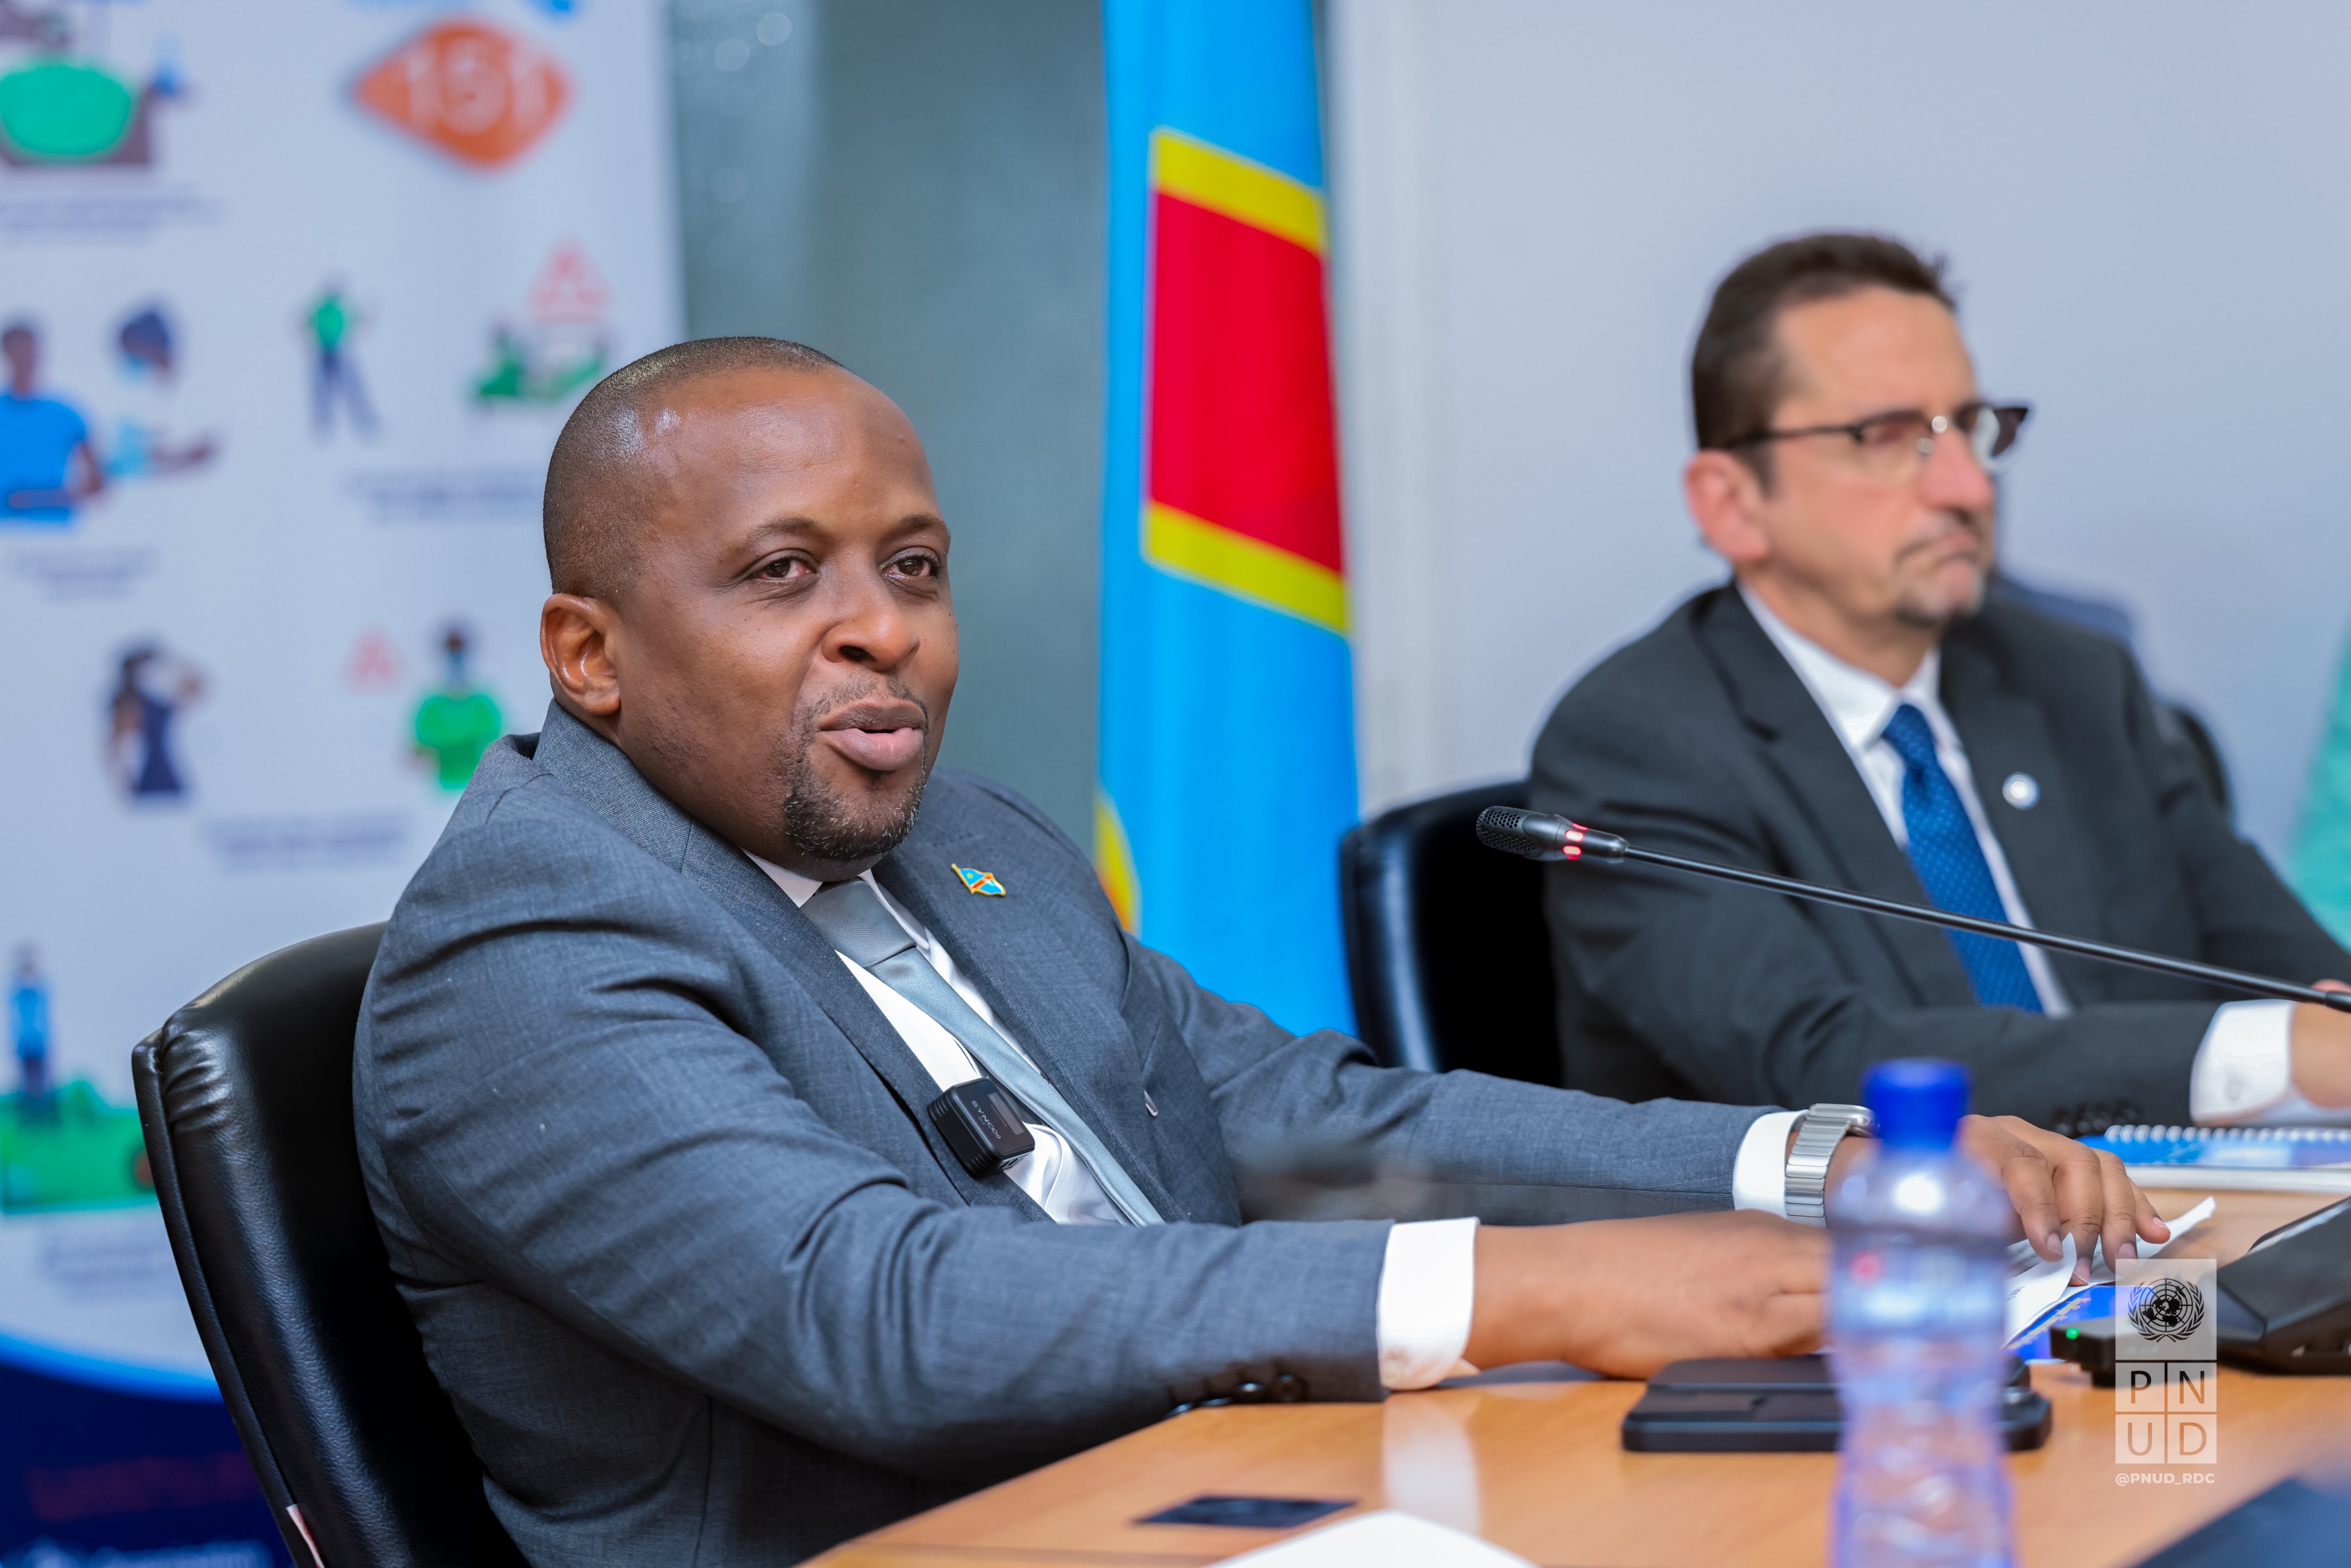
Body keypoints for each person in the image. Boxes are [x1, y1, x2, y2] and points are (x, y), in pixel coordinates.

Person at [353, 339, 2158, 1564]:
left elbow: (1301, 1111)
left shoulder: (967, 835)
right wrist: (1550, 1288)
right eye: (781, 576)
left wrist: (1819, 1162)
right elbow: (880, 1312)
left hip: (1223, 1488)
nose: (879, 633)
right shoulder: (529, 937)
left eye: (912, 566)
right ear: (586, 655)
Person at [1532, 232, 2351, 1132]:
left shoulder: (2074, 681)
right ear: (1733, 503)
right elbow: (1825, 1062)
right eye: (1884, 437)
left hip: (2161, 1245)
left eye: (1970, 425)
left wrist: (2311, 1037)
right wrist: (2268, 1056)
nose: (1966, 484)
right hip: (1855, 1255)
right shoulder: (1638, 741)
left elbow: (2306, 990)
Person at [1, 319, 104, 524]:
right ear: (6, 354)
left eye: (30, 351)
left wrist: (42, 499)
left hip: (53, 538)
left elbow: (98, 483)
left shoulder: (66, 416)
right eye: (18, 352)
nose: (25, 359)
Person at [412, 622, 503, 790]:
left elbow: (500, 751)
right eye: (450, 653)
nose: (455, 659)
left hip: (480, 792)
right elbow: (416, 755)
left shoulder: (484, 705)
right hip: (440, 797)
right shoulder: (430, 707)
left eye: (459, 653)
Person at [10, 944, 49, 1119]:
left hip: (38, 1043)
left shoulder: (40, 988)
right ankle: (28, 1116)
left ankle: (40, 1116)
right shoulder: (18, 990)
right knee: (26, 1083)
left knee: (40, 1083)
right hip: (25, 1043)